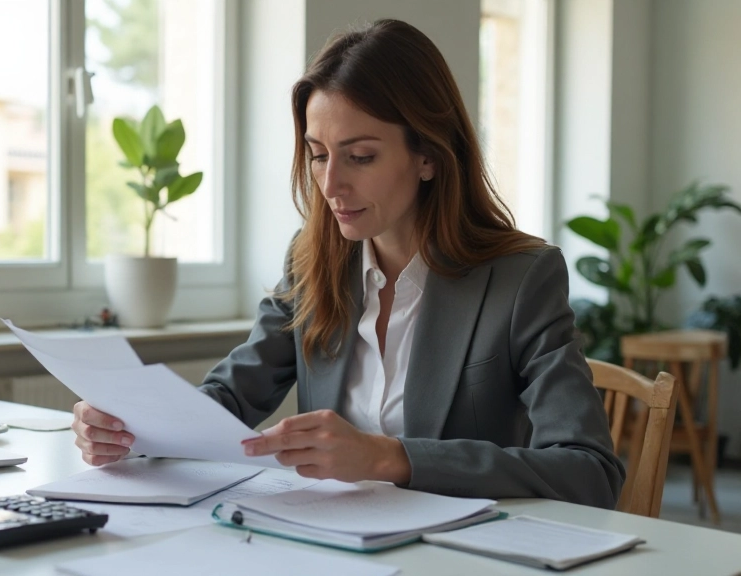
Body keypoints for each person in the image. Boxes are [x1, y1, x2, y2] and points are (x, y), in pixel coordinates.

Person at [71, 19, 625, 509]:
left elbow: (589, 470)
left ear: (428, 155)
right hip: (330, 542)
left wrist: (390, 458)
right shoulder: (313, 259)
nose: (331, 185)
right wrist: (133, 428)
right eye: (317, 154)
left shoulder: (521, 278)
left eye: (360, 157)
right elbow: (230, 398)